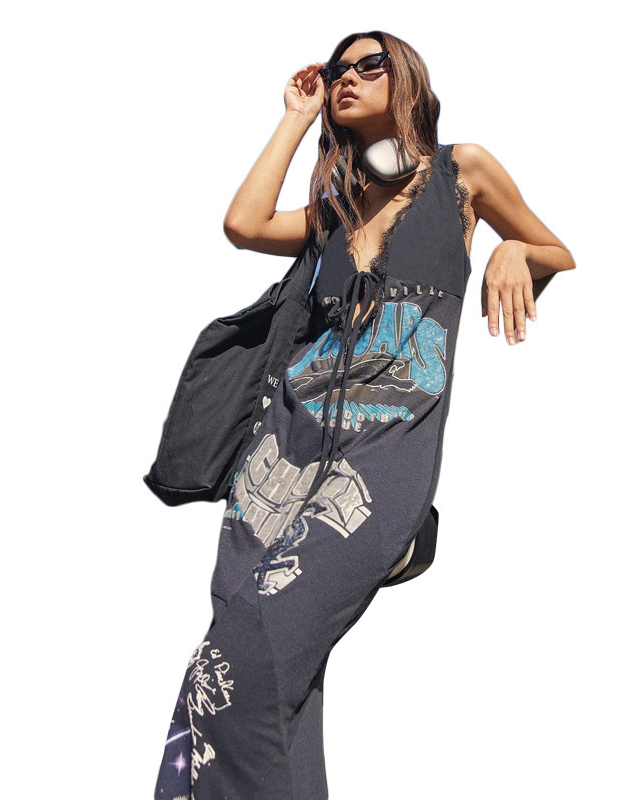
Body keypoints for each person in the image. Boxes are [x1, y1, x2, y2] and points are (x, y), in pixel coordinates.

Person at [153, 29, 575, 800]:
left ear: (404, 76)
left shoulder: (462, 172)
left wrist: (516, 251)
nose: (346, 76)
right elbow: (244, 224)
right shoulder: (334, 209)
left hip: (380, 462)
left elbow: (556, 249)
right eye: (337, 69)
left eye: (367, 65)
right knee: (246, 679)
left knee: (243, 655)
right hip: (276, 464)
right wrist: (295, 115)